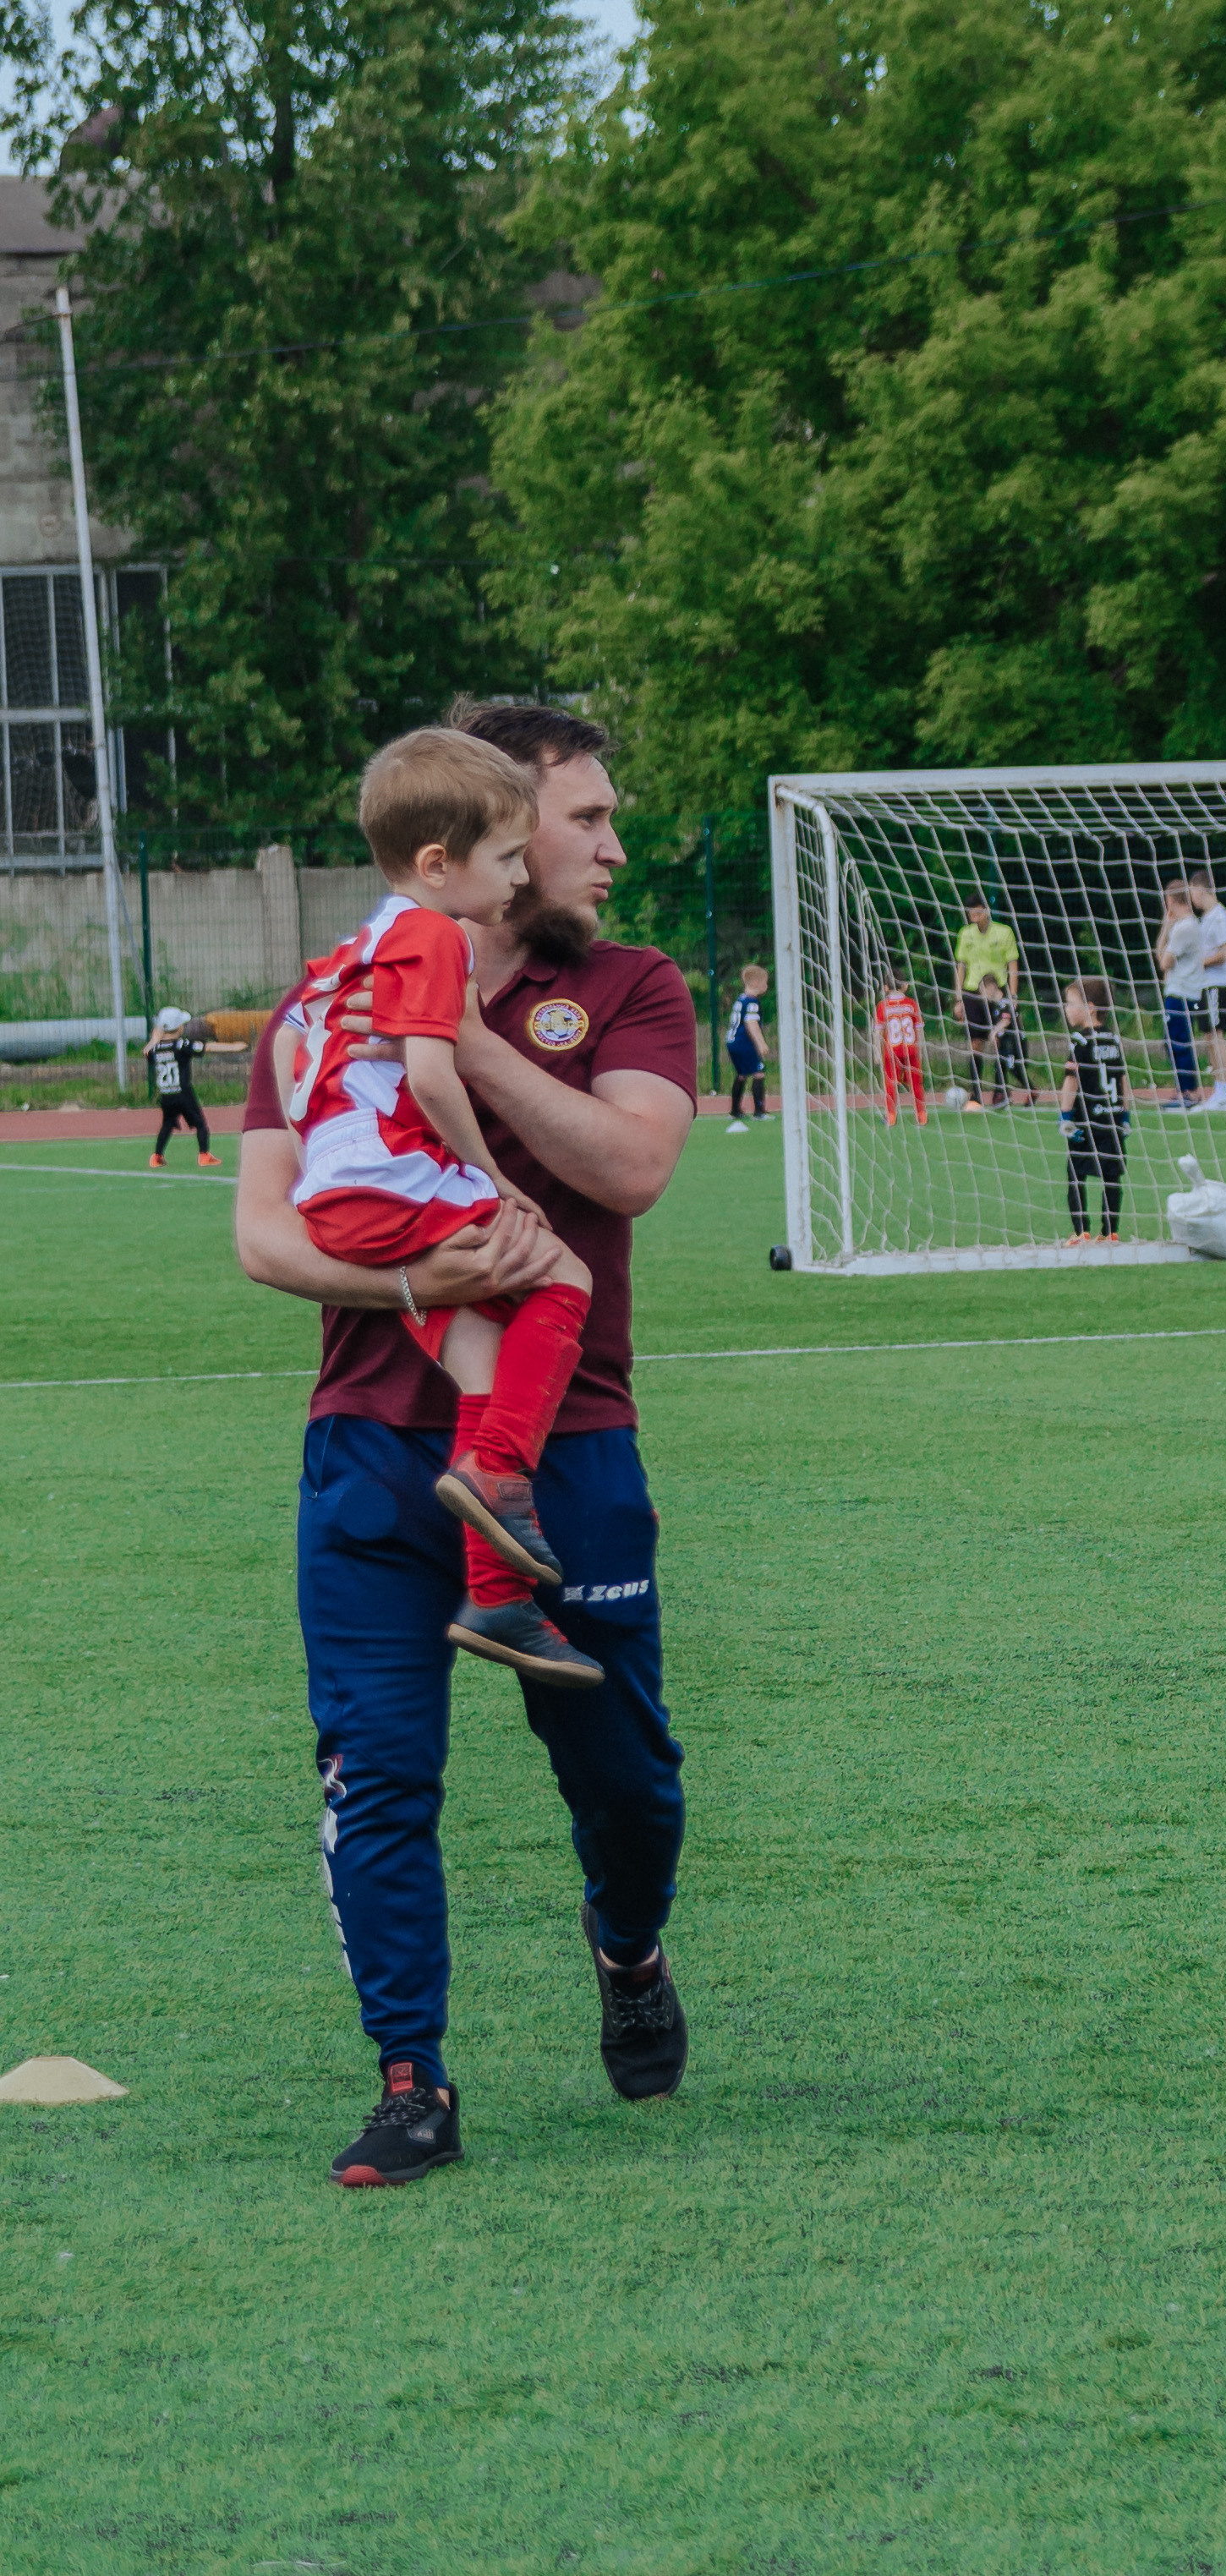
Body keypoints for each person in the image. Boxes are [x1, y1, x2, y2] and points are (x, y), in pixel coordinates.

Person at [235, 701, 698, 2188]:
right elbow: (261, 1230)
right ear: (488, 837)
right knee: (378, 1774)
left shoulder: (629, 987)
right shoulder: (323, 996)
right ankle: (411, 2080)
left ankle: (626, 1946)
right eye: (582, 824)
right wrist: (405, 1280)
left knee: (625, 1782)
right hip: (370, 1446)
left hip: (569, 1449)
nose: (607, 850)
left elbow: (627, 1164)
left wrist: (453, 1042)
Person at [282, 727, 600, 1692]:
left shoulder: (358, 942)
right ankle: (502, 1471)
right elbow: (432, 1066)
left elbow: (306, 1062)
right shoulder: (435, 932)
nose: (517, 876)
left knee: (483, 1361)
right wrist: (487, 1174)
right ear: (438, 863)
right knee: (565, 1275)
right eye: (506, 856)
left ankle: (496, 1592)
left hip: (338, 1189)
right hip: (388, 1177)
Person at [1059, 978, 1133, 1244]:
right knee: (1111, 1175)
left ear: (1090, 1008)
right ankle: (1110, 1231)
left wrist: (1065, 1116)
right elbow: (1123, 1079)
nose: (1066, 1009)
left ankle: (1081, 1231)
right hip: (1112, 1120)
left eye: (1070, 1004)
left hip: (1085, 1121)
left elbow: (1071, 1079)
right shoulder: (1113, 1038)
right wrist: (1125, 1114)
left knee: (1076, 1173)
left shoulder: (1080, 1040)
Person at [145, 1005, 244, 1166]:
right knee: (200, 1124)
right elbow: (207, 1047)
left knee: (167, 1125)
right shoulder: (181, 1045)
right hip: (183, 1093)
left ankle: (156, 1156)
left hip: (166, 1095)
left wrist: (155, 1038)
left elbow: (147, 1052)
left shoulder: (155, 1049)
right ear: (179, 1027)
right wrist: (233, 1047)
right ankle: (204, 1154)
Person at [951, 896, 1018, 1104]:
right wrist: (958, 999)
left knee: (998, 1041)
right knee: (975, 1043)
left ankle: (1000, 1091)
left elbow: (1013, 965)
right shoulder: (966, 933)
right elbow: (961, 965)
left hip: (996, 994)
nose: (974, 916)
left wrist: (1013, 996)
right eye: (970, 912)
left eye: (977, 911)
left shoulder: (1004, 931)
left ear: (986, 910)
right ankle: (976, 1092)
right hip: (972, 992)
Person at [1188, 866, 1226, 1113]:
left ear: (1200, 889)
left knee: (1216, 1035)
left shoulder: (1220, 916)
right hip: (1205, 986)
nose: (1191, 898)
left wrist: (1202, 962)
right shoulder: (1206, 919)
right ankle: (1218, 1091)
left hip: (1217, 985)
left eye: (1192, 892)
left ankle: (1224, 1091)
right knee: (1209, 1036)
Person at [1155, 881, 1205, 1108]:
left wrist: (1168, 927)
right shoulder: (1181, 926)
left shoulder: (1186, 927)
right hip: (1178, 991)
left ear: (1172, 901)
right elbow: (1160, 955)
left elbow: (1164, 962)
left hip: (1182, 992)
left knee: (1179, 1042)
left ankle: (1190, 1092)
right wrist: (1166, 926)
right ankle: (1184, 1090)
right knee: (1172, 1041)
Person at [873, 977, 927, 1126]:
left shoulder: (883, 1006)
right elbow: (919, 1028)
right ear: (904, 986)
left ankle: (891, 1116)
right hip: (911, 1049)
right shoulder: (911, 1004)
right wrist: (920, 1049)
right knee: (916, 1084)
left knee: (890, 1085)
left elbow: (878, 1032)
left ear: (885, 987)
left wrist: (877, 1054)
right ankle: (921, 1115)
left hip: (892, 1051)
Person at [724, 964, 770, 1131]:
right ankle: (759, 1111)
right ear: (756, 983)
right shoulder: (752, 1002)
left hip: (732, 1041)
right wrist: (761, 1043)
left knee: (742, 1074)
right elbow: (751, 1024)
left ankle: (735, 1110)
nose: (766, 986)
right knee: (759, 1072)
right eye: (765, 982)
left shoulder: (740, 999)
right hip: (744, 1042)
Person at [979, 973, 1036, 1107]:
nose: (982, 994)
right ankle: (1003, 1095)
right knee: (999, 1066)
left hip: (1015, 1042)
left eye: (983, 990)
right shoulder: (995, 1006)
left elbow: (1006, 1020)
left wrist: (994, 1032)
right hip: (1005, 1042)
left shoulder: (1006, 1001)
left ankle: (1033, 1089)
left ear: (992, 987)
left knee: (1013, 1068)